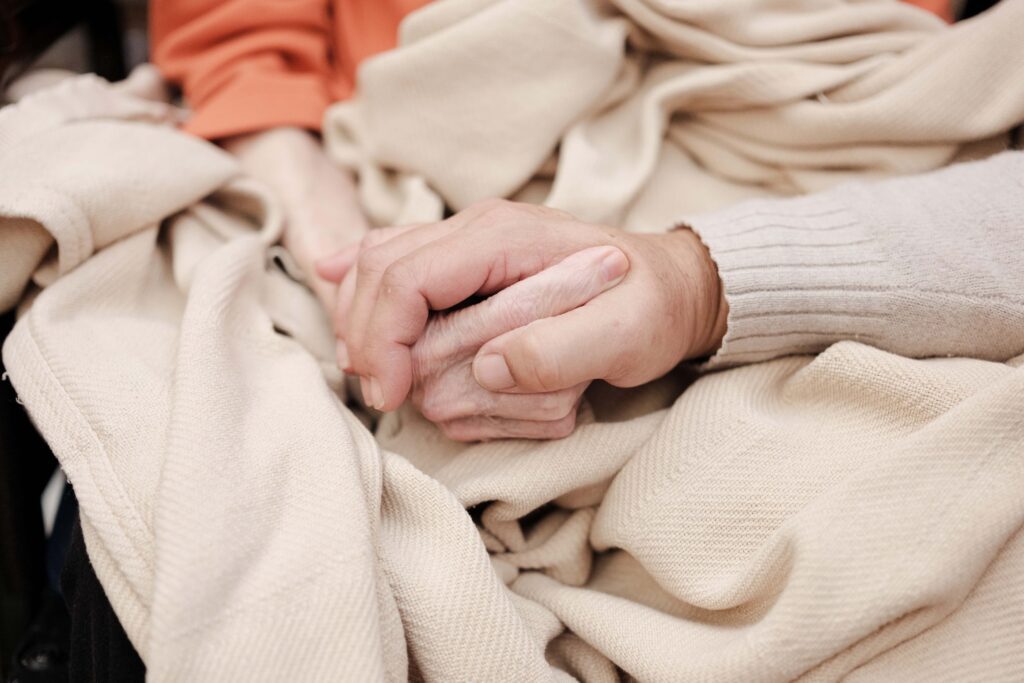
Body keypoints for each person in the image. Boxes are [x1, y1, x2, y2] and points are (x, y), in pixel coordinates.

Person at [152, 0, 1014, 444]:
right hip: (391, 166)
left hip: (855, 164)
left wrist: (695, 282)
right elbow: (243, 45)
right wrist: (332, 244)